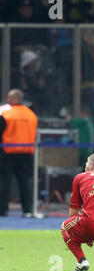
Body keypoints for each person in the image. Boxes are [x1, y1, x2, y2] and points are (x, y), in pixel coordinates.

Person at [0, 89, 38, 218]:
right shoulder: (31, 115)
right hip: (26, 153)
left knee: (4, 181)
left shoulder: (6, 114)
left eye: (9, 98)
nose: (7, 101)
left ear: (14, 99)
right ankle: (27, 209)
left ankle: (2, 210)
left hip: (8, 152)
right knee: (25, 182)